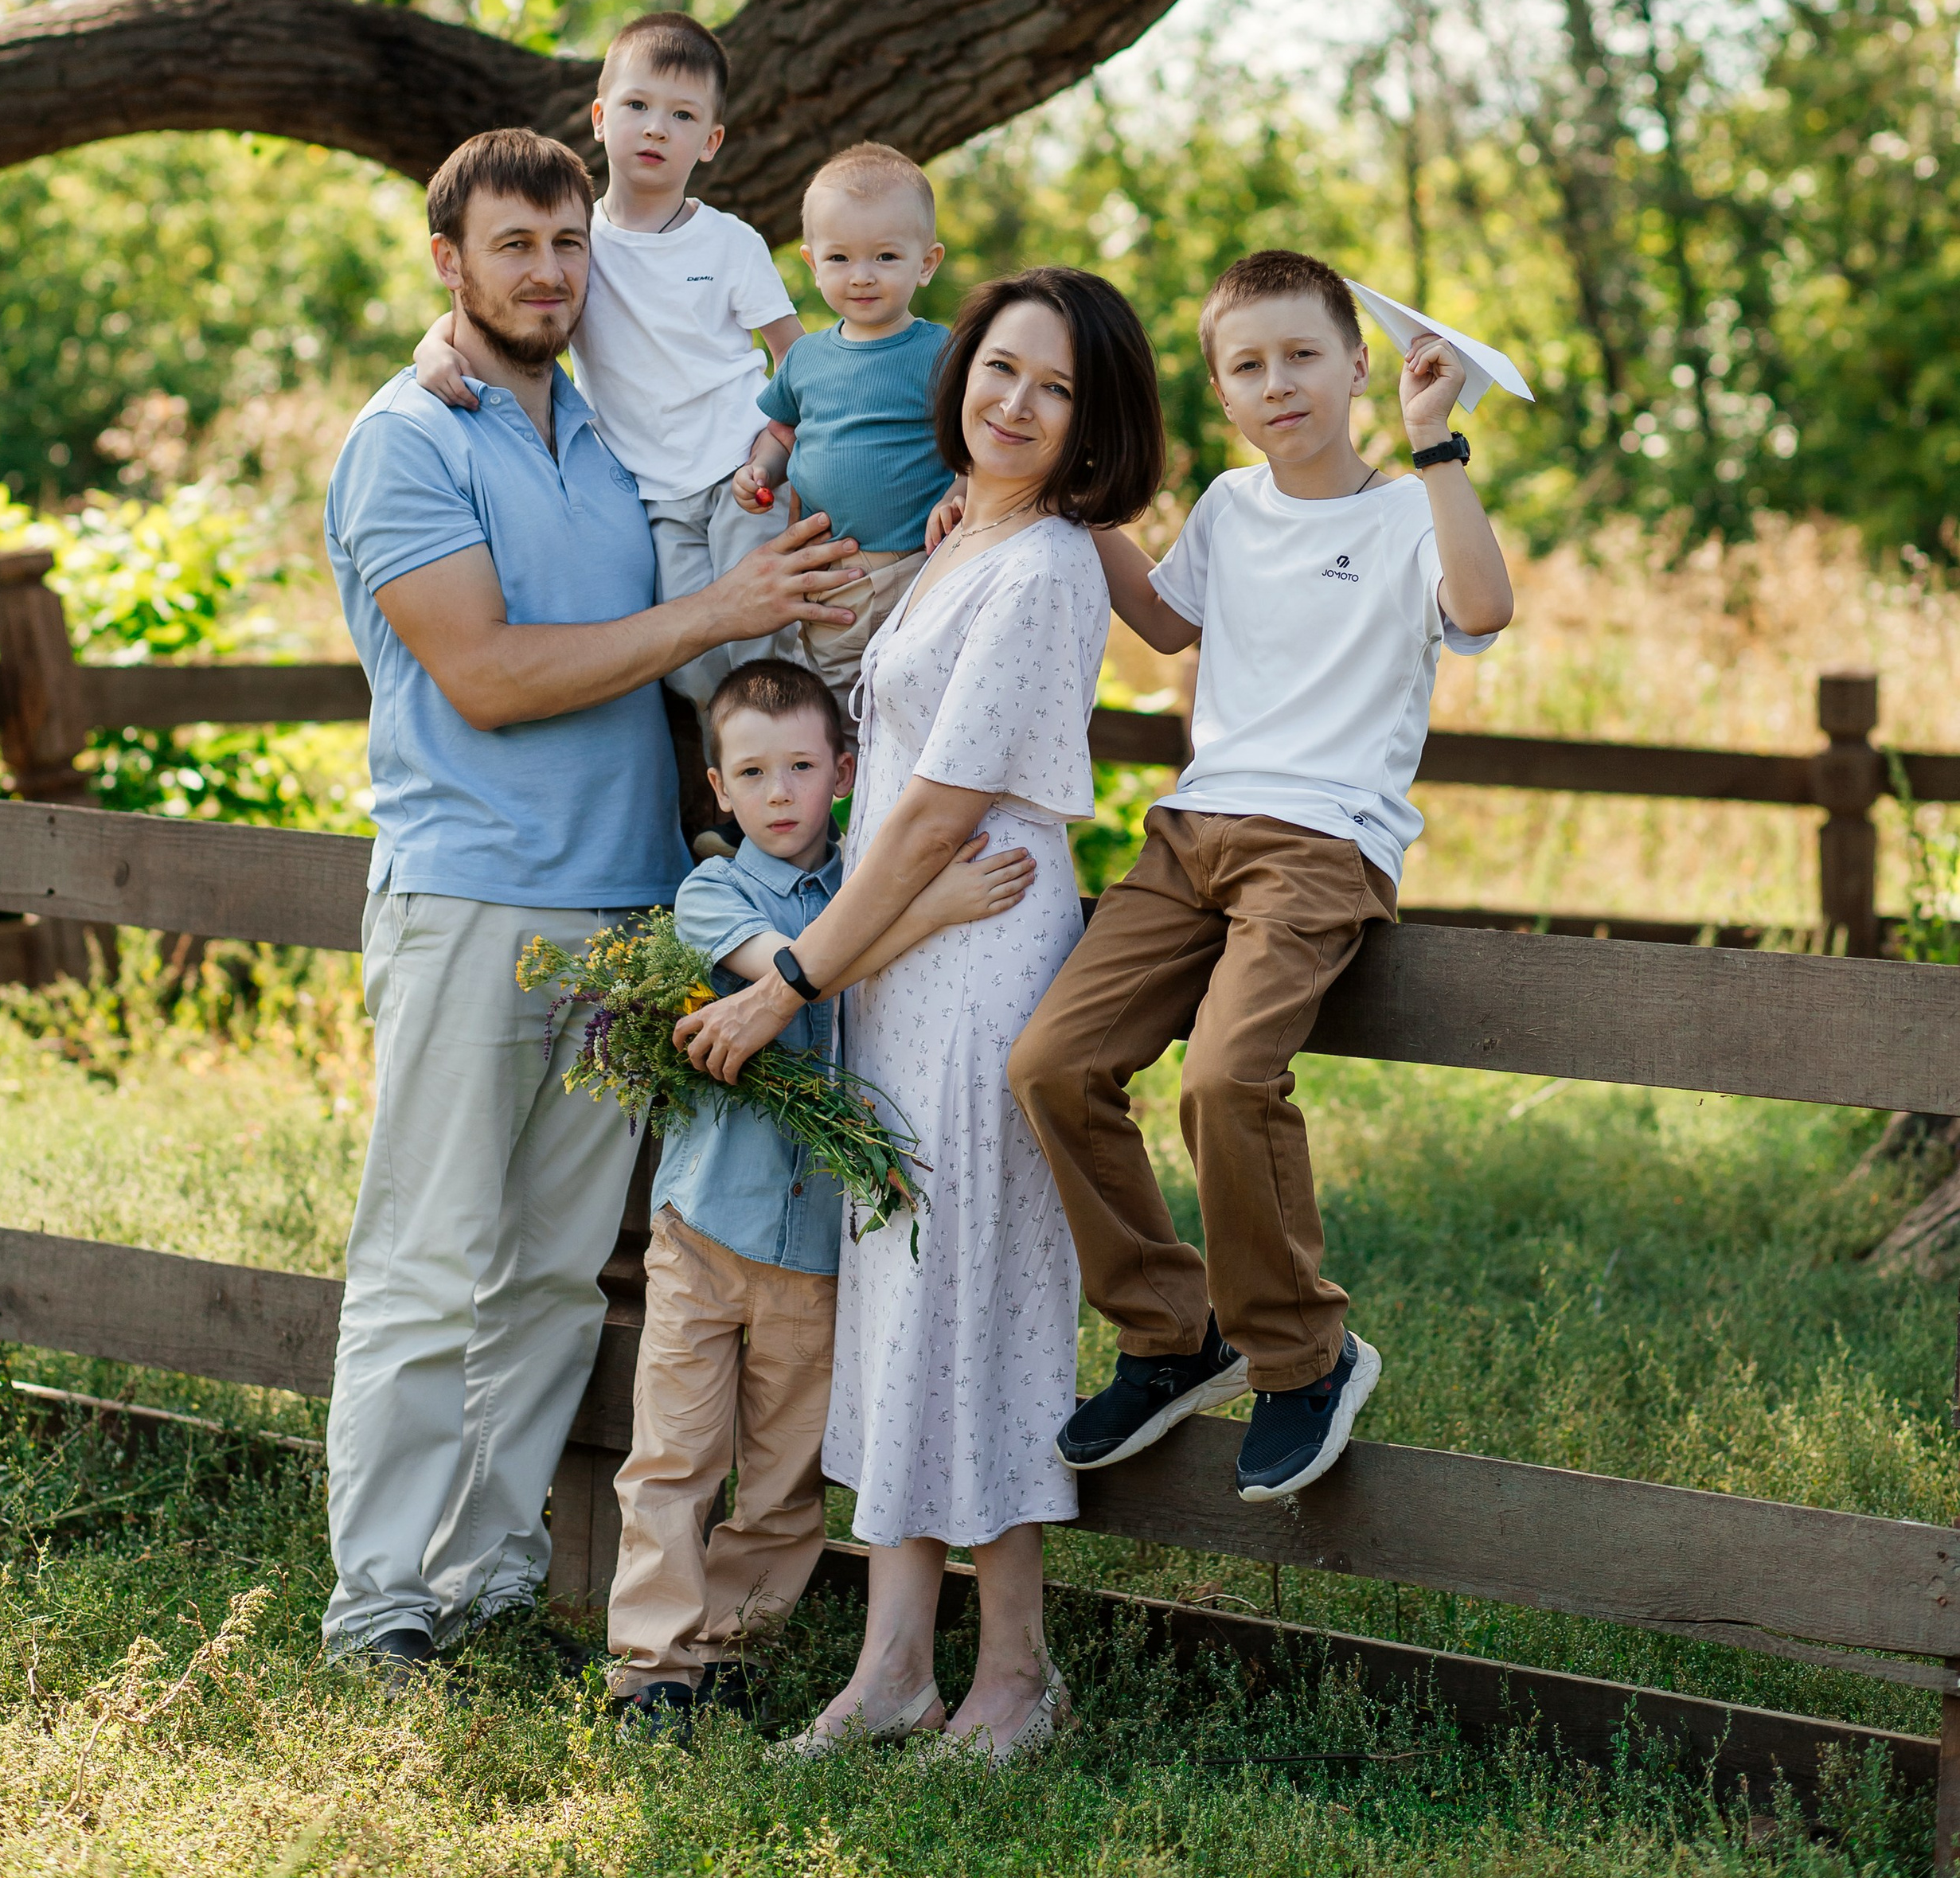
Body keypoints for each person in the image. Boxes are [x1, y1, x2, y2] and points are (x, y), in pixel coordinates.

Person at [320, 127, 857, 1677]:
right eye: (513, 247)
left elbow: (722, 578)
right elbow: (484, 678)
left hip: (627, 914)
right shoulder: (406, 439)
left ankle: (488, 1576)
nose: (546, 273)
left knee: (556, 1269)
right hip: (474, 902)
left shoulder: (609, 441)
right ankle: (379, 1603)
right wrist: (713, 610)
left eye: (567, 247)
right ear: (449, 263)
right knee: (429, 1259)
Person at [677, 269, 1164, 1764]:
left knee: (983, 1300)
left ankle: (1014, 1672)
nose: (1014, 403)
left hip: (974, 960)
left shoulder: (1049, 569)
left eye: (1054, 388)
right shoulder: (971, 542)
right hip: (901, 962)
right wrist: (846, 964)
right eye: (1000, 369)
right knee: (901, 1300)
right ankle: (892, 1665)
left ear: (1094, 425)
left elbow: (941, 809)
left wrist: (792, 978)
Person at [1009, 248, 1514, 1506]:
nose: (1277, 383)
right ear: (1222, 391)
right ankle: (1175, 1335)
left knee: (1229, 1080)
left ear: (1355, 365)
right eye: (1248, 366)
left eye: (1302, 357)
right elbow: (1171, 623)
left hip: (1321, 842)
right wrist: (1055, 507)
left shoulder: (1409, 510)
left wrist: (1437, 443)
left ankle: (1305, 1358)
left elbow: (1487, 608)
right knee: (1051, 1066)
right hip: (1190, 836)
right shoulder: (1230, 508)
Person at [606, 657, 1033, 1736]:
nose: (781, 792)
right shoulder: (715, 894)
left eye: (802, 765)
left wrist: (906, 899)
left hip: (818, 1251)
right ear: (718, 788)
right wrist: (932, 905)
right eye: (753, 772)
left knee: (787, 1474)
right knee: (675, 1455)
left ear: (845, 770)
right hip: (707, 1231)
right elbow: (795, 969)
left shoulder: (863, 886)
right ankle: (654, 1670)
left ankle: (735, 1652)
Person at [414, 12, 801, 711]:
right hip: (653, 490)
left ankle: (798, 811)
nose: (656, 127)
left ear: (710, 141)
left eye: (682, 115)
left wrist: (779, 447)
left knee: (765, 644)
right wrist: (432, 343)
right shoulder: (579, 243)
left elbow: (795, 359)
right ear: (599, 118)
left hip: (739, 466)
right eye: (637, 106)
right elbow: (507, 302)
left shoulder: (730, 244)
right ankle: (732, 804)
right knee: (687, 666)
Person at [732, 143, 962, 731]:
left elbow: (972, 440)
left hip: (917, 569)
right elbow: (783, 432)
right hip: (832, 579)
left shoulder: (942, 353)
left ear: (926, 262)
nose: (861, 276)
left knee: (915, 712)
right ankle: (843, 820)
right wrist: (760, 470)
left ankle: (910, 819)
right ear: (812, 263)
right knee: (835, 717)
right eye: (839, 258)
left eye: (886, 256)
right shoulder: (807, 358)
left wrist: (959, 490)